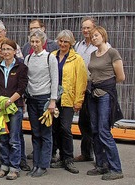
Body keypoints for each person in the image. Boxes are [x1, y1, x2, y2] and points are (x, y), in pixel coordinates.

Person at [85, 26, 125, 181]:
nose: (94, 38)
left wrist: (106, 85)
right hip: (93, 94)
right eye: (92, 36)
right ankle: (101, 164)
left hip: (105, 95)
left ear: (103, 36)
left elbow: (120, 76)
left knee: (104, 131)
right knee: (94, 130)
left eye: (96, 35)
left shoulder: (112, 53)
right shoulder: (93, 54)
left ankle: (116, 168)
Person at [49, 30, 87, 174]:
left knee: (65, 128)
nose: (63, 44)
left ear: (71, 43)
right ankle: (60, 157)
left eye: (66, 42)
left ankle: (68, 159)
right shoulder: (52, 56)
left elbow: (81, 81)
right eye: (60, 41)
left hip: (68, 99)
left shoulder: (77, 59)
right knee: (55, 128)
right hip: (53, 98)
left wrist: (78, 101)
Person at [0, 38, 28, 180]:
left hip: (14, 108)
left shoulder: (22, 67)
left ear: (14, 51)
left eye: (8, 49)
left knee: (14, 139)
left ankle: (14, 167)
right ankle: (4, 165)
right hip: (0, 108)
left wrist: (10, 101)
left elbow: (21, 88)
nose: (5, 52)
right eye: (3, 49)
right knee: (3, 138)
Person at [73, 17, 111, 163]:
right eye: (83, 28)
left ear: (95, 28)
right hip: (82, 86)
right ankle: (86, 153)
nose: (86, 30)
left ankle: (100, 157)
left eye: (88, 28)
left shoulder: (102, 46)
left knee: (97, 124)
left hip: (96, 86)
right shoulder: (78, 45)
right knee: (83, 122)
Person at [23, 30, 59, 177]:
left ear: (43, 42)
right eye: (32, 42)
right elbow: (26, 79)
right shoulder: (28, 58)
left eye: (37, 41)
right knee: (35, 132)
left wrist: (53, 101)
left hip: (45, 100)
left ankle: (44, 164)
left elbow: (55, 79)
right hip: (31, 99)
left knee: (45, 133)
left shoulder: (50, 58)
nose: (35, 44)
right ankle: (36, 163)